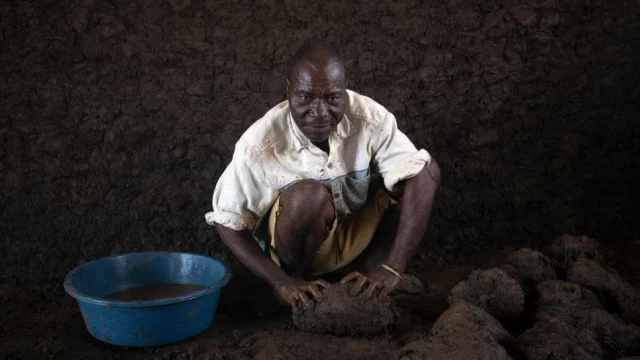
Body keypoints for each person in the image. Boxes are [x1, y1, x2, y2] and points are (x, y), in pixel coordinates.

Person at [205, 40, 440, 309]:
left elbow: (421, 176)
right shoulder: (260, 143)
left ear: (345, 90)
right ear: (289, 91)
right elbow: (228, 220)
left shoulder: (370, 118)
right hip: (298, 255)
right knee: (308, 196)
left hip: (356, 239)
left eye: (332, 98)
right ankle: (296, 288)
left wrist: (394, 267)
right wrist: (280, 281)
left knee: (422, 171)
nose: (319, 113)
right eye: (305, 97)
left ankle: (373, 274)